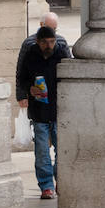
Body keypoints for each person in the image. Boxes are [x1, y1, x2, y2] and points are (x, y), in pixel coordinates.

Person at [15, 25, 70, 199]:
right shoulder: (31, 55)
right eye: (45, 42)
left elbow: (70, 76)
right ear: (38, 42)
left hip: (58, 110)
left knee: (62, 150)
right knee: (41, 152)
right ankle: (46, 186)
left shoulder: (61, 54)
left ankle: (61, 180)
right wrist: (28, 90)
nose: (49, 46)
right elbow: (21, 78)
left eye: (52, 42)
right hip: (39, 111)